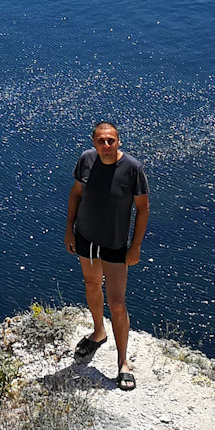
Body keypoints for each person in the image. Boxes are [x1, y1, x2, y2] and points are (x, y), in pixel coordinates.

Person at [65, 120, 149, 391]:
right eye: (101, 140)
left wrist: (134, 246)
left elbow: (143, 209)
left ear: (119, 141)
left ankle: (123, 362)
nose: (106, 145)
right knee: (91, 286)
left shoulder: (132, 168)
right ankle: (98, 332)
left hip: (115, 244)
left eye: (111, 140)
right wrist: (69, 229)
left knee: (116, 303)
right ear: (94, 142)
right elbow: (76, 194)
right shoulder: (86, 160)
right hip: (86, 237)